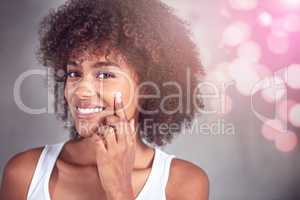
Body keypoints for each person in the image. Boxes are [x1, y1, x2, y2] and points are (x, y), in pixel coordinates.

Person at [0, 0, 209, 199]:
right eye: (74, 74)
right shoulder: (25, 174)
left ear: (147, 88)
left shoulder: (183, 184)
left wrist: (120, 190)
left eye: (105, 75)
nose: (81, 91)